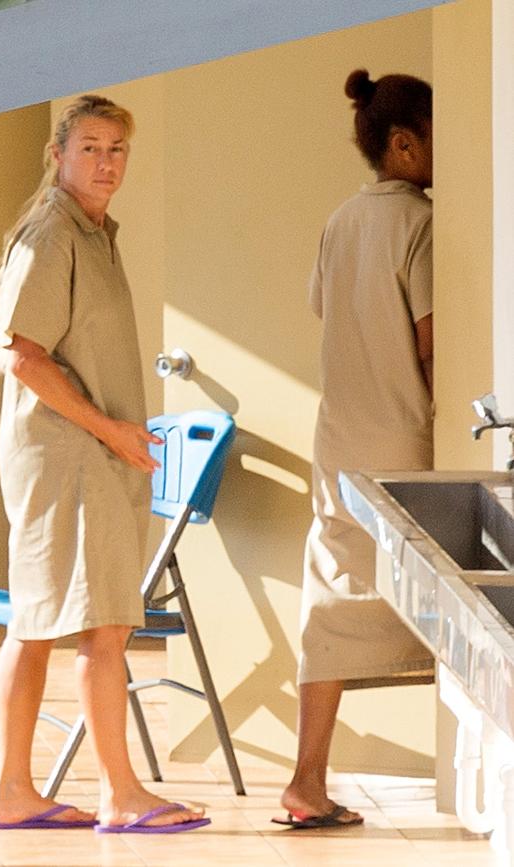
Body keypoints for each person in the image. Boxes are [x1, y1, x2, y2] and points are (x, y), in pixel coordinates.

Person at [0, 94, 209, 834]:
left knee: (42, 622)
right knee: (103, 626)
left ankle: (16, 791)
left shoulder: (95, 232)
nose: (106, 163)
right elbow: (22, 357)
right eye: (90, 148)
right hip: (70, 457)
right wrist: (111, 430)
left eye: (117, 150)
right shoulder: (52, 235)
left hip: (84, 455)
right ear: (58, 155)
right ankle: (121, 792)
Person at [275, 69, 435, 830]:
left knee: (331, 604)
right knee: (459, 612)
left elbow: (324, 308)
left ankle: (306, 779)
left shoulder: (341, 220)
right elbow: (435, 340)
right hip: (407, 440)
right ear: (404, 144)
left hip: (338, 440)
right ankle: (472, 776)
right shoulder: (425, 223)